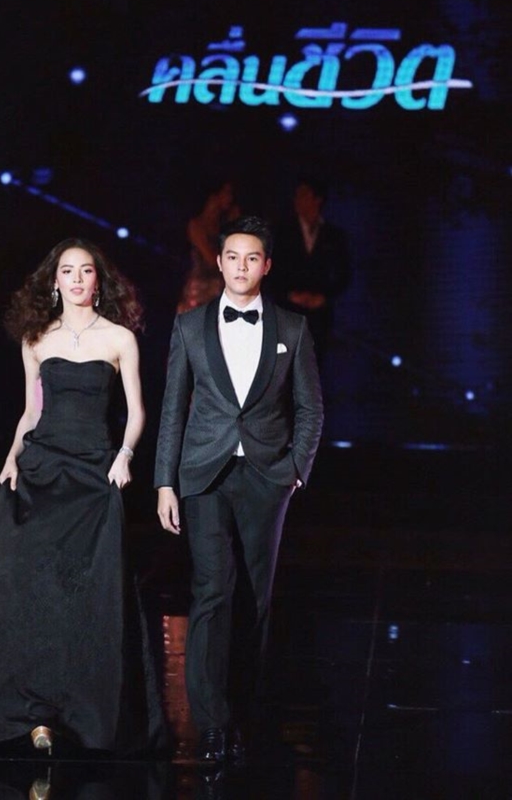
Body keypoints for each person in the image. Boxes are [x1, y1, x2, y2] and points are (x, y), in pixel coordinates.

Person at [0, 237, 166, 755]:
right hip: (43, 469)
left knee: (89, 591)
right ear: (54, 281)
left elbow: (137, 411)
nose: (77, 279)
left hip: (93, 475)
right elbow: (31, 412)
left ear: (98, 280)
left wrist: (125, 455)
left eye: (86, 270)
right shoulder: (36, 338)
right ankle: (34, 709)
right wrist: (11, 457)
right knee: (31, 588)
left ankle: (81, 711)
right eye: (67, 271)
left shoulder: (119, 338)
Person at [155, 215, 323, 763]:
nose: (241, 266)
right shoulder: (190, 326)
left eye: (252, 258)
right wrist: (164, 481)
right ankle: (210, 721)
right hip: (204, 474)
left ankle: (243, 712)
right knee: (212, 591)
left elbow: (311, 408)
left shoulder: (292, 328)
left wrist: (296, 468)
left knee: (255, 599)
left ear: (266, 265)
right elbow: (173, 409)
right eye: (232, 257)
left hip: (267, 477)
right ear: (220, 261)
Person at [266, 177, 351, 362]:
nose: (298, 200)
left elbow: (344, 273)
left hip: (318, 316)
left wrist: (324, 297)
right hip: (288, 311)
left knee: (314, 363)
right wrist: (288, 294)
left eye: (304, 195)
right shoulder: (282, 231)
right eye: (297, 195)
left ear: (317, 199)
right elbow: (270, 269)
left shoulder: (333, 236)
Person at [177, 180, 241, 313]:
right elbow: (212, 260)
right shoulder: (197, 225)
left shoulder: (222, 226)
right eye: (227, 193)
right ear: (214, 196)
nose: (230, 198)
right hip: (198, 293)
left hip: (218, 292)